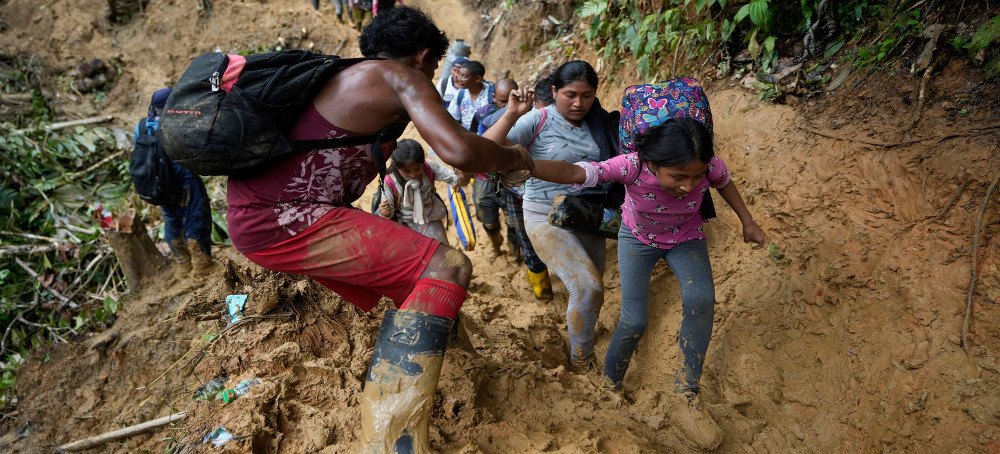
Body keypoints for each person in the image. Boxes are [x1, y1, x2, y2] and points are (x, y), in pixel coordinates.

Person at [224, 7, 532, 453]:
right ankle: (391, 438)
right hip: (283, 217)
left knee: (416, 281)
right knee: (448, 266)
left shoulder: (346, 74)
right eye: (434, 64)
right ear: (422, 55)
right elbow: (459, 151)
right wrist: (514, 159)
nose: (432, 74)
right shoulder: (400, 77)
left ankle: (455, 365)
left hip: (263, 214)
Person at [529, 114, 766, 449]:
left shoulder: (710, 166)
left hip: (687, 238)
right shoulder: (632, 166)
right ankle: (611, 382)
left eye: (697, 176)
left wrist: (748, 222)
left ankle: (686, 392)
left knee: (701, 301)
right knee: (634, 320)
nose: (689, 185)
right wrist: (526, 164)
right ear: (653, 163)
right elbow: (574, 173)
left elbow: (724, 182)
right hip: (637, 241)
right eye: (679, 177)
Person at [483, 61, 619, 371]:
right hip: (544, 216)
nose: (578, 103)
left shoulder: (600, 122)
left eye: (586, 95)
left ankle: (582, 335)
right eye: (570, 95)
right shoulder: (538, 119)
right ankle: (581, 360)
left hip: (589, 216)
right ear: (554, 91)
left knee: (593, 289)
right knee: (586, 287)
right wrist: (511, 114)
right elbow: (485, 150)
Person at [473, 77, 554, 299]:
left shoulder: (571, 122)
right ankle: (542, 291)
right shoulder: (499, 120)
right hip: (515, 191)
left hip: (550, 191)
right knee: (525, 238)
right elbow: (481, 149)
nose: (546, 118)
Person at [133, 88, 214, 279]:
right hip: (186, 181)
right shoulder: (178, 123)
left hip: (161, 187)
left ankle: (182, 264)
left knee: (171, 222)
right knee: (195, 219)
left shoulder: (142, 126)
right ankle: (201, 265)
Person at [467, 78, 516, 258]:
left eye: (512, 100)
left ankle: (514, 251)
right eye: (503, 101)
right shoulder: (482, 114)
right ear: (494, 97)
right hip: (484, 178)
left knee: (514, 221)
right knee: (488, 220)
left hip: (512, 179)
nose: (508, 106)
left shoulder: (525, 114)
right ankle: (496, 244)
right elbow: (472, 141)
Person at [376, 139, 460, 243]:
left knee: (441, 248)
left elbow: (452, 176)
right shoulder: (389, 181)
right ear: (396, 167)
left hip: (430, 218)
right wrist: (385, 212)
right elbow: (388, 210)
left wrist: (458, 179)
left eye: (417, 169)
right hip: (405, 223)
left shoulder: (428, 167)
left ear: (422, 162)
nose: (413, 174)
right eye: (407, 171)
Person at [447, 60, 493, 131]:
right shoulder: (460, 94)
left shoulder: (491, 94)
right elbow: (452, 118)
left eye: (464, 76)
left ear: (477, 78)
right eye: (459, 75)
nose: (459, 79)